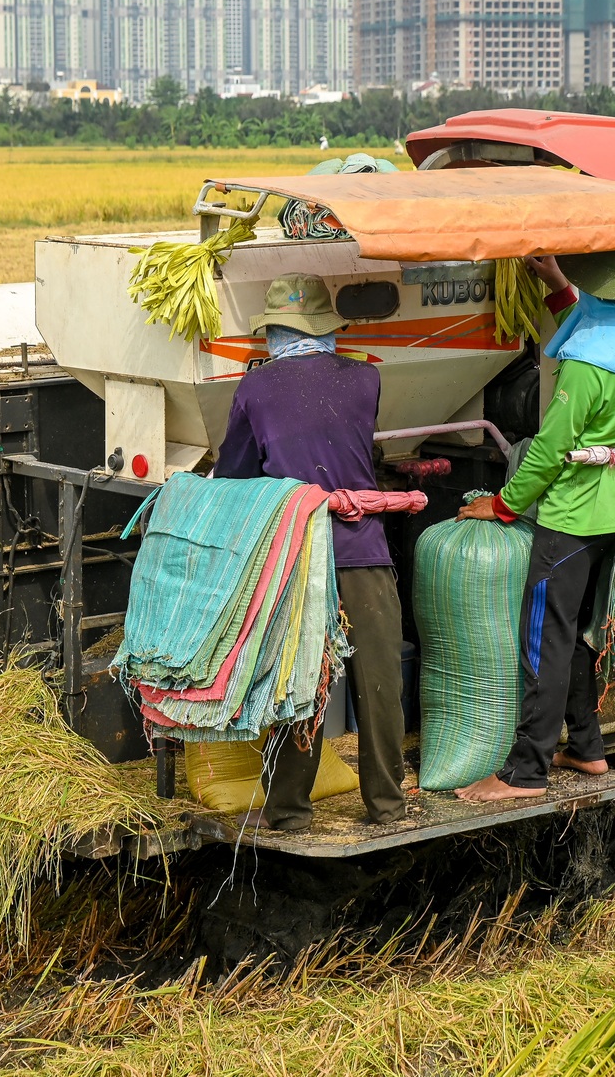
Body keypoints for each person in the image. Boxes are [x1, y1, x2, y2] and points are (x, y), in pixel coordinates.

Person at [454, 249, 615, 803]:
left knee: (544, 640)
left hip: (571, 516)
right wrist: (554, 282)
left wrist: (503, 505)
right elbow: (594, 317)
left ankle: (524, 771)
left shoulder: (585, 363)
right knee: (575, 633)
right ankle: (587, 746)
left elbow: (551, 448)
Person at [213, 273, 410, 830]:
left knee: (296, 683)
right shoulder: (365, 379)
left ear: (273, 332)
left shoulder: (254, 389)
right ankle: (387, 806)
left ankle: (289, 812)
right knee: (378, 680)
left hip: (296, 555)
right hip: (362, 547)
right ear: (328, 329)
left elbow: (235, 474)